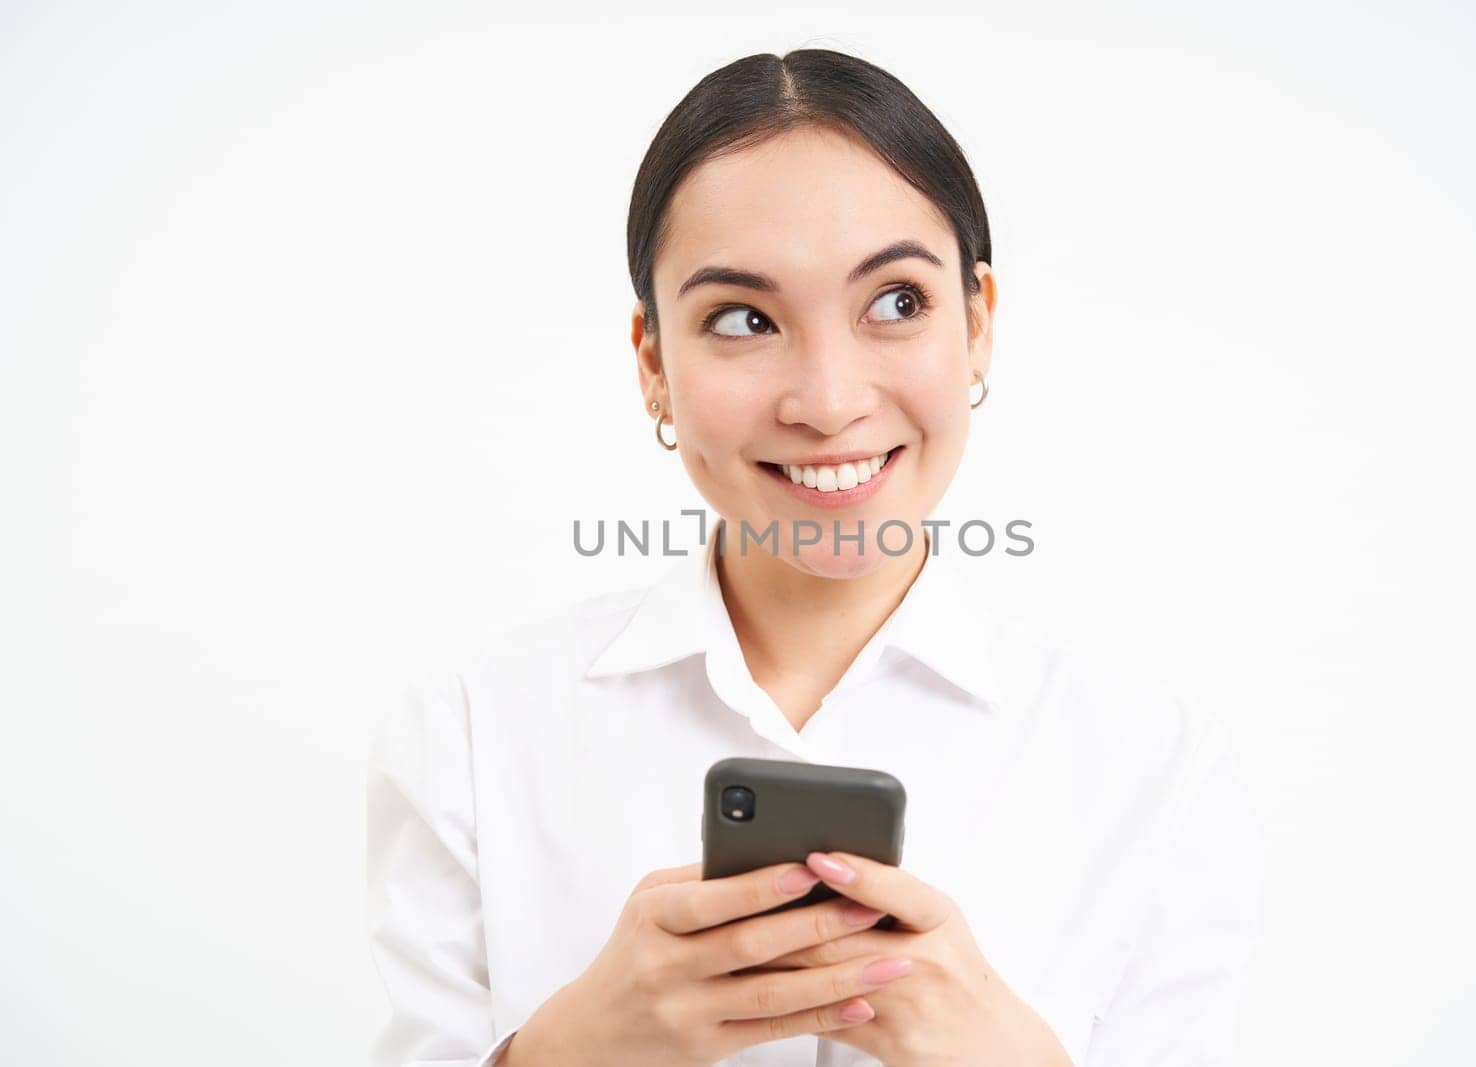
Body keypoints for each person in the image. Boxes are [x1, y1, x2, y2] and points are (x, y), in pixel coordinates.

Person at [366, 48, 1263, 1067]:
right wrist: (565, 1053)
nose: (828, 399)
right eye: (744, 319)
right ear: (654, 362)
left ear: (976, 324)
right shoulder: (473, 732)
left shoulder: (1150, 768)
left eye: (895, 302)